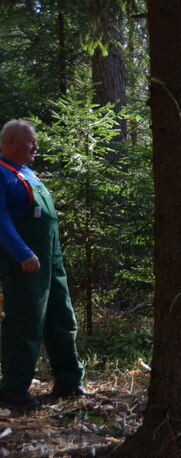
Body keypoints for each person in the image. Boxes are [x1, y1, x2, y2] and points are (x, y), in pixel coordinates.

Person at [0, 119, 89, 408]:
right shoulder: (2, 172)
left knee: (61, 316)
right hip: (24, 259)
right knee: (26, 321)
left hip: (51, 256)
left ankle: (68, 380)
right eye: (30, 142)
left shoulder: (29, 173)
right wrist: (23, 253)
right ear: (10, 142)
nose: (35, 147)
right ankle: (13, 388)